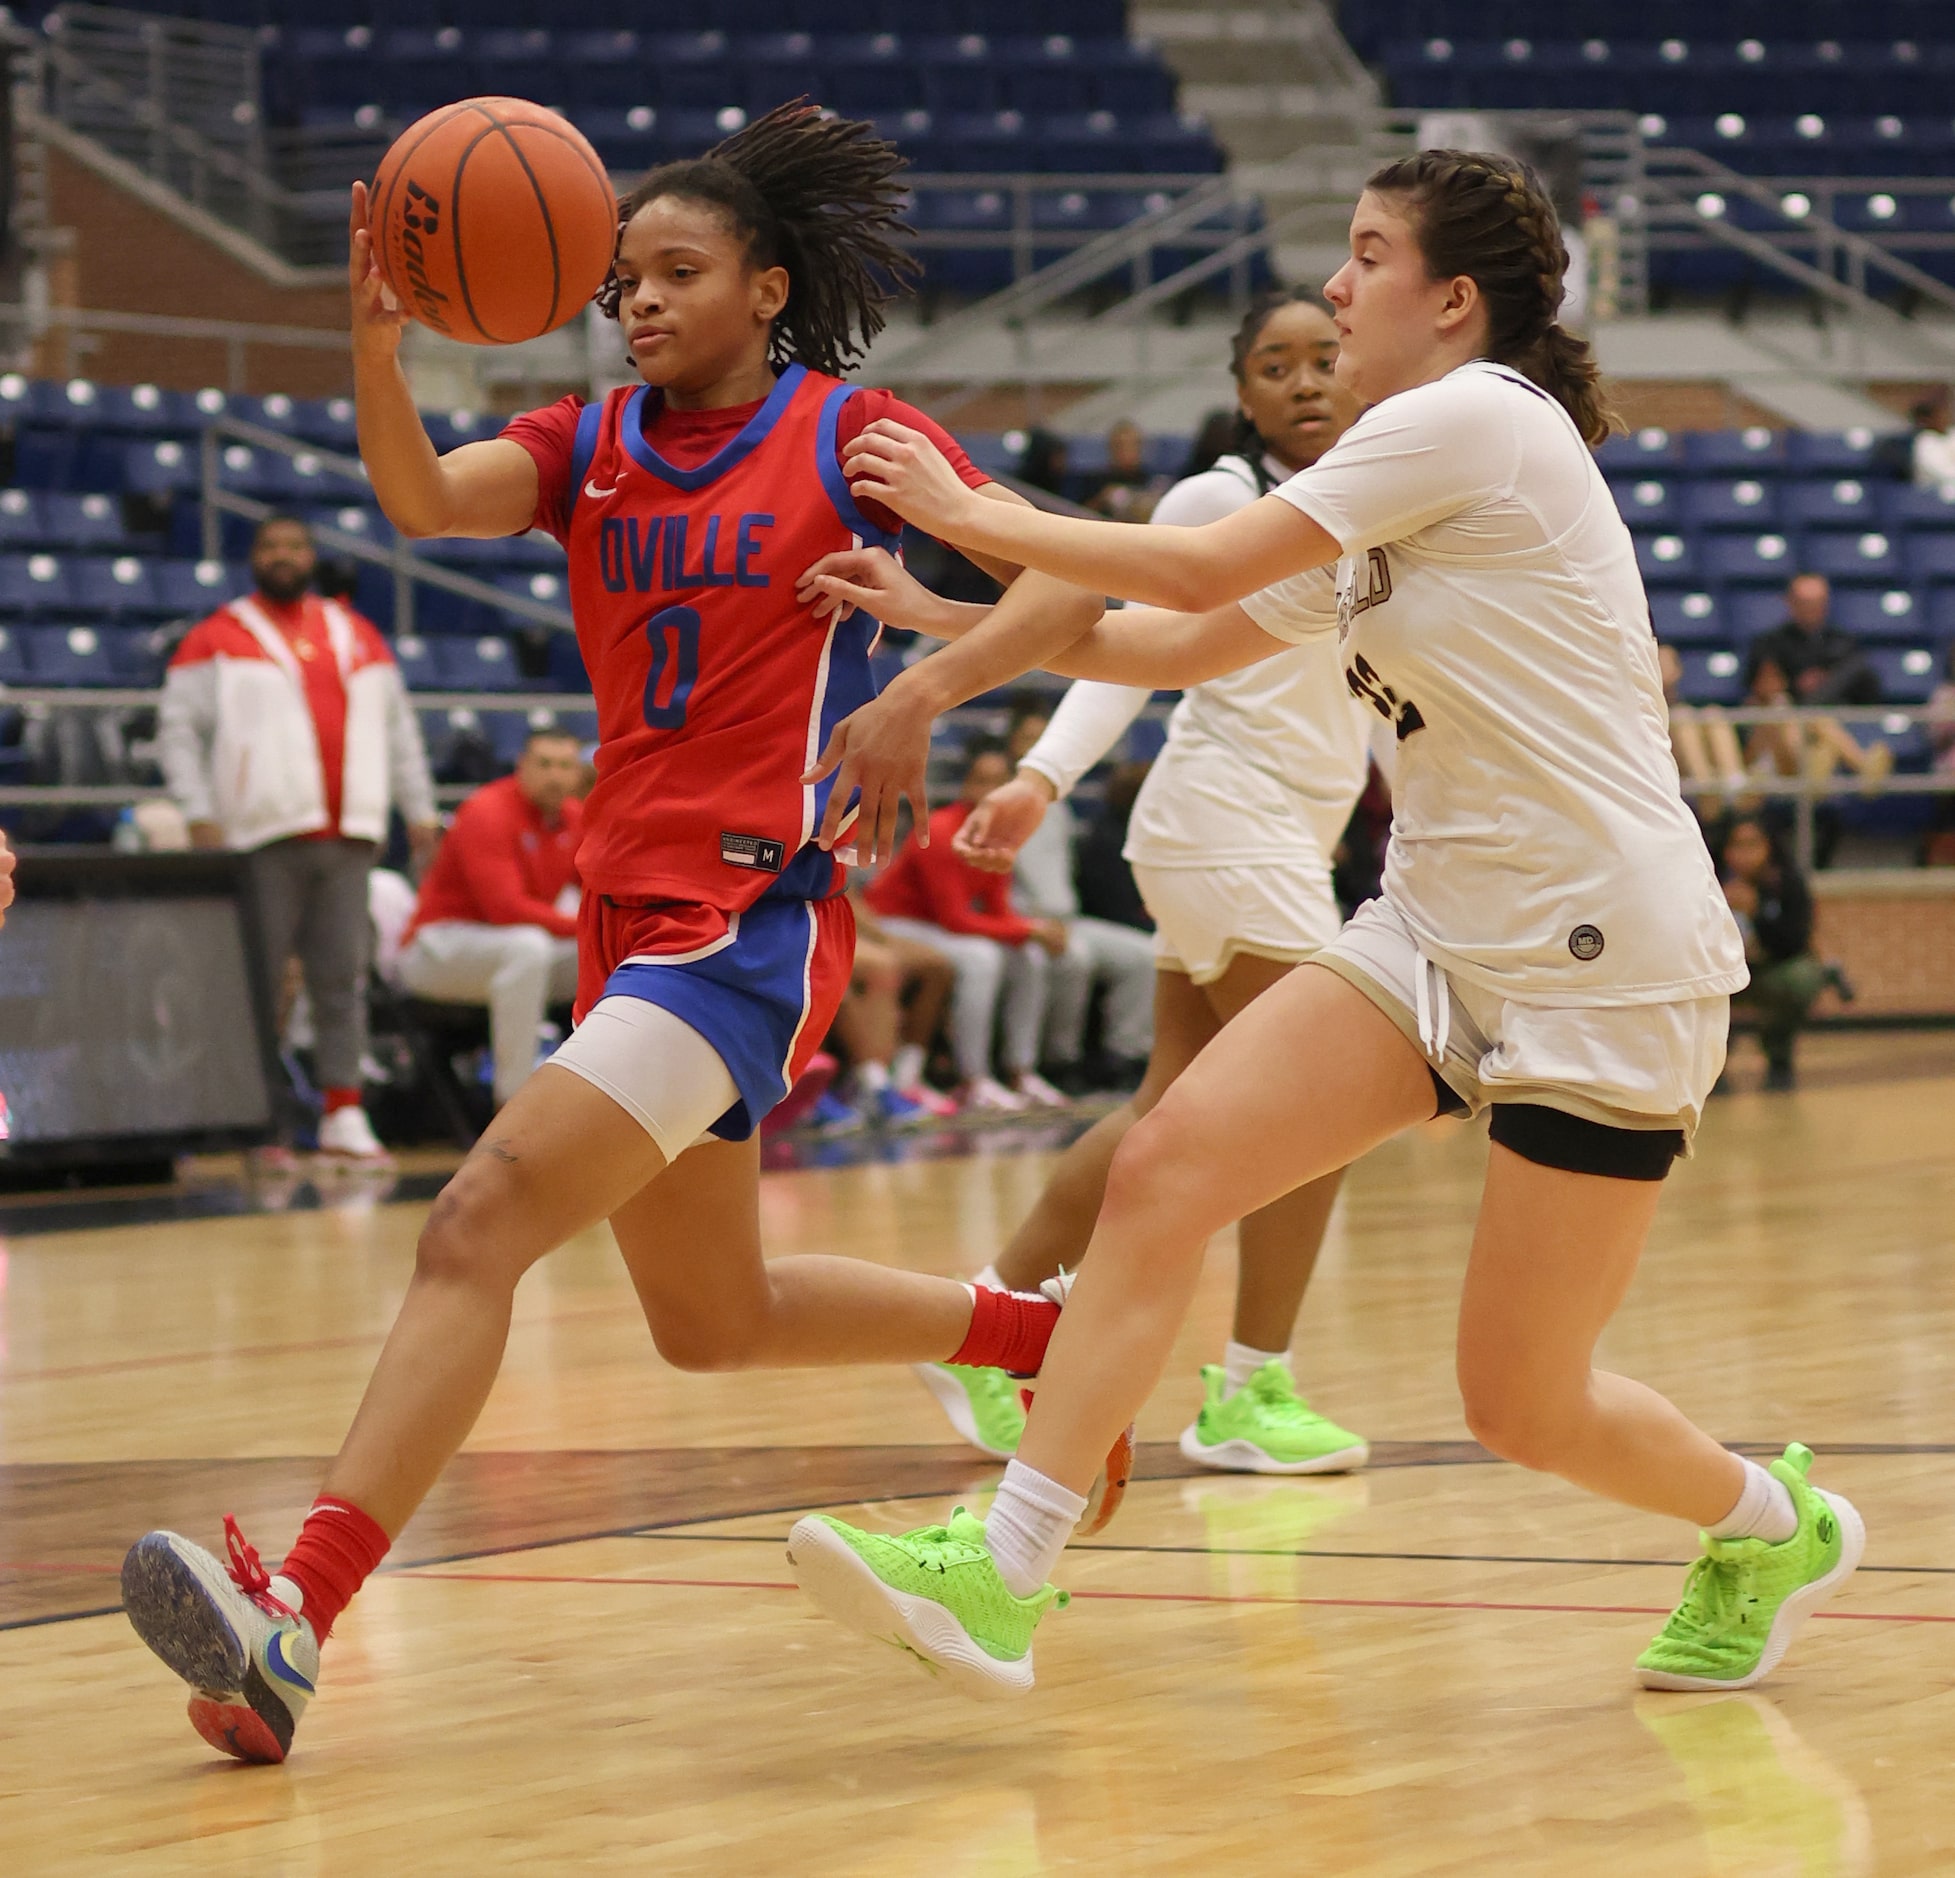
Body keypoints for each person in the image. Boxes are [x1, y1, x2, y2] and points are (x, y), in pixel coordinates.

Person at [788, 148, 1862, 1700]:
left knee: (1517, 1399)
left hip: (1601, 956)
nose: (1337, 286)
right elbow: (1177, 640)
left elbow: (1200, 556)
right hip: (1429, 926)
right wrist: (945, 612)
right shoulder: (1389, 473)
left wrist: (976, 509)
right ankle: (1003, 1566)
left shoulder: (1476, 418)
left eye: (1364, 257)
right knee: (1162, 1166)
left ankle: (1774, 1525)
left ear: (1448, 301)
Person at [118, 103, 1100, 1768]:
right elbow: (422, 496)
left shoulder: (849, 433)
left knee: (475, 1218)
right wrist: (375, 340)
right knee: (710, 1317)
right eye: (622, 279)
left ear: (766, 287)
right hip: (621, 913)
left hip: (746, 915)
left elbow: (1067, 588)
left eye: (676, 271)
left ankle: (294, 1617)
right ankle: (1046, 1342)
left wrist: (920, 692)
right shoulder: (592, 441)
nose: (638, 301)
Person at [910, 286, 1378, 1472]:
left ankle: (984, 1320)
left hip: (1259, 835)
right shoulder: (1221, 500)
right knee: (1321, 1108)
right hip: (1227, 820)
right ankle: (1248, 1392)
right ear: (1241, 394)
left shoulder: (1373, 499)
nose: (1306, 381)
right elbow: (1135, 652)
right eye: (1276, 366)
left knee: (1162, 1116)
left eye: (1324, 357)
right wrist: (1040, 776)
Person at [157, 513, 437, 1162]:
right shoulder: (216, 636)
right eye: (271, 546)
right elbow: (177, 732)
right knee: (252, 982)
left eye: (295, 544)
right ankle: (259, 1117)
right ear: (253, 557)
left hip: (350, 830)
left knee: (341, 978)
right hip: (259, 831)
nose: (284, 555)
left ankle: (343, 1112)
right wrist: (198, 809)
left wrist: (419, 808)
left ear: (312, 555)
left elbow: (399, 733)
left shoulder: (358, 632)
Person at [863, 742, 1071, 1113]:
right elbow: (955, 919)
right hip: (896, 922)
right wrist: (1031, 929)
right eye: (979, 780)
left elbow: (997, 909)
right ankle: (972, 1079)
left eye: (997, 781)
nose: (987, 790)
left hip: (936, 925)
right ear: (965, 786)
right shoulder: (942, 831)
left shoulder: (1001, 832)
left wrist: (1031, 930)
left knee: (1031, 958)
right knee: (982, 959)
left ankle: (1021, 1071)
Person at [396, 727, 585, 1111]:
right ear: (521, 767)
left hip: (511, 945)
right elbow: (506, 908)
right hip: (436, 947)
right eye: (544, 764)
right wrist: (584, 927)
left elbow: (599, 890)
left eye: (565, 766)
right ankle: (514, 1103)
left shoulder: (576, 818)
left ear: (578, 774)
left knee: (616, 955)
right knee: (527, 948)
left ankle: (597, 1098)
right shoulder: (487, 810)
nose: (554, 776)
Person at [1002, 699, 1155, 1093]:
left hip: (1069, 917)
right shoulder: (999, 802)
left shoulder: (1060, 808)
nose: (1036, 744)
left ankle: (1124, 1056)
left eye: (1042, 736)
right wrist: (1030, 922)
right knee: (1074, 960)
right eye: (1028, 737)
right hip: (1023, 917)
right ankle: (1059, 1061)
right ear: (1011, 745)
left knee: (1142, 955)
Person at [1714, 814, 1842, 1091]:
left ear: (1768, 847)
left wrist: (1757, 913)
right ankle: (1713, 1060)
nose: (1745, 854)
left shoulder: (1787, 883)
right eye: (1737, 845)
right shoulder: (1708, 881)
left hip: (1768, 971)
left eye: (1753, 844)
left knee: (1801, 978)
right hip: (1721, 975)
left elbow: (1794, 941)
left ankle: (1779, 1053)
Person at [827, 902, 955, 1124]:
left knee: (934, 965)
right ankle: (871, 1082)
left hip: (835, 917)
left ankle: (901, 1078)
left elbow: (844, 893)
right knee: (870, 966)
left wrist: (878, 937)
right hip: (791, 923)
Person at [1742, 574, 1880, 709]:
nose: (1811, 609)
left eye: (1817, 602)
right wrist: (1795, 685)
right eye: (1804, 603)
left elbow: (1867, 689)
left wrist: (1826, 681)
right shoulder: (1769, 643)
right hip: (1789, 713)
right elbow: (1759, 686)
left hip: (1838, 711)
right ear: (1790, 602)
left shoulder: (1845, 642)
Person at [1658, 642, 1746, 812]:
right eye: (1659, 662)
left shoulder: (1684, 705)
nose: (1664, 669)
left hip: (1697, 757)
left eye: (1667, 663)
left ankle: (1734, 782)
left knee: (1713, 713)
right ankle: (1704, 786)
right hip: (1664, 761)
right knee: (1681, 717)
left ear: (1678, 670)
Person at [1083, 418, 1159, 520]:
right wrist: (1102, 499)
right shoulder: (1094, 480)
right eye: (1120, 445)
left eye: (1133, 445)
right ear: (1111, 448)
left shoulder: (1153, 479)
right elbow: (1078, 514)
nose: (1126, 451)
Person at [1907, 386, 1955, 494]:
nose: (1945, 418)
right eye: (1939, 415)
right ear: (1926, 420)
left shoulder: (1952, 434)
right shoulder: (1925, 443)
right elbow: (1944, 473)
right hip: (1932, 497)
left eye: (1946, 413)